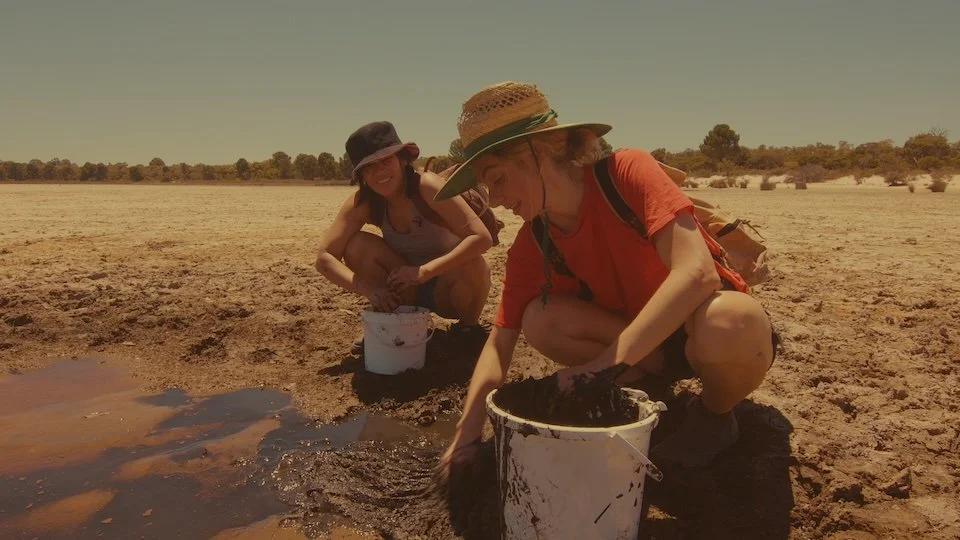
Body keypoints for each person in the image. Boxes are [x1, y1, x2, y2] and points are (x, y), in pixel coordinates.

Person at [434, 82, 778, 474]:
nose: (494, 201)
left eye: (497, 179)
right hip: (646, 350)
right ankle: (648, 391)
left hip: (699, 332)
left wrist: (601, 367)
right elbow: (499, 344)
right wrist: (465, 434)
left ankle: (715, 415)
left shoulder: (627, 172)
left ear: (537, 152)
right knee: (540, 319)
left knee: (732, 321)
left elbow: (697, 274)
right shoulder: (534, 242)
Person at [314, 121, 493, 349]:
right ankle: (395, 320)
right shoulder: (365, 202)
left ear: (402, 159)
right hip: (402, 288)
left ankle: (468, 328)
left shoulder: (427, 187)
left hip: (448, 287)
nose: (379, 172)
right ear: (362, 176)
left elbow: (481, 238)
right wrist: (370, 291)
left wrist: (424, 272)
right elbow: (325, 258)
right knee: (357, 245)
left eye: (385, 161)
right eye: (369, 167)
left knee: (474, 263)